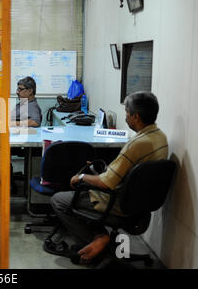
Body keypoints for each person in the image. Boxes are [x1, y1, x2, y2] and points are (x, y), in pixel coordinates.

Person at [47, 91, 168, 263]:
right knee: (89, 181)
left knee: (60, 200)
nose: (125, 117)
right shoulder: (160, 137)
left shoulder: (137, 144)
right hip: (141, 205)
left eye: (127, 113)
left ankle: (98, 242)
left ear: (136, 117)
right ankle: (100, 238)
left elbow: (105, 183)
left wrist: (81, 177)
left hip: (118, 203)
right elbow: (129, 171)